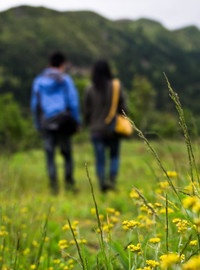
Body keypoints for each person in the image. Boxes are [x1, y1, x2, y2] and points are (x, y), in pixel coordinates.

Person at [30, 51, 81, 194]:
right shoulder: (65, 80)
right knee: (67, 155)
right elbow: (73, 102)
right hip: (63, 121)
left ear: (49, 64)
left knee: (50, 155)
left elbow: (35, 105)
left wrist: (37, 124)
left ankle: (54, 187)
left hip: (46, 122)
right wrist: (77, 122)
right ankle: (69, 184)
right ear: (62, 65)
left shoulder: (38, 81)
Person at [84, 60, 127, 193]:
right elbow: (124, 108)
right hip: (113, 129)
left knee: (100, 159)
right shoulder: (116, 87)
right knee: (114, 156)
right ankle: (112, 181)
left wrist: (88, 123)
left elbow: (86, 111)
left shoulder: (89, 88)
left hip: (96, 130)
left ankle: (102, 183)